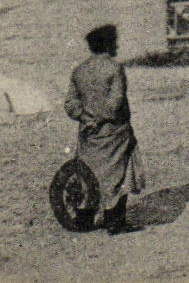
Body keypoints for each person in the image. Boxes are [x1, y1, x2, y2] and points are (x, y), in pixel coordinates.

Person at [64, 24, 146, 234]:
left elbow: (71, 104)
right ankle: (115, 221)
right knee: (117, 175)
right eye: (115, 41)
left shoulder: (79, 71)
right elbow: (115, 103)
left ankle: (84, 218)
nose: (117, 45)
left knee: (87, 173)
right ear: (108, 44)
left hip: (89, 135)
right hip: (114, 133)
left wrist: (86, 118)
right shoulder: (114, 69)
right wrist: (100, 119)